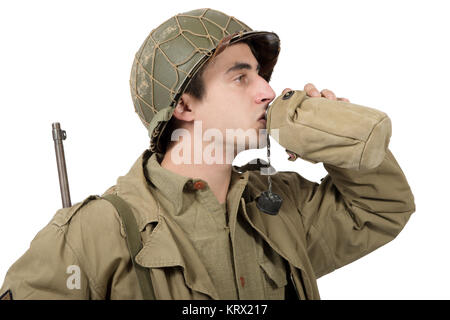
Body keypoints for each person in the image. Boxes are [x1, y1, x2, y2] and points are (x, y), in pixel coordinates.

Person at [0, 8, 415, 300]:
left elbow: (380, 210)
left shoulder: (282, 207)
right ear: (183, 106)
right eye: (240, 77)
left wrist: (338, 139)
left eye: (261, 76)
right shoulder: (94, 234)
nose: (268, 92)